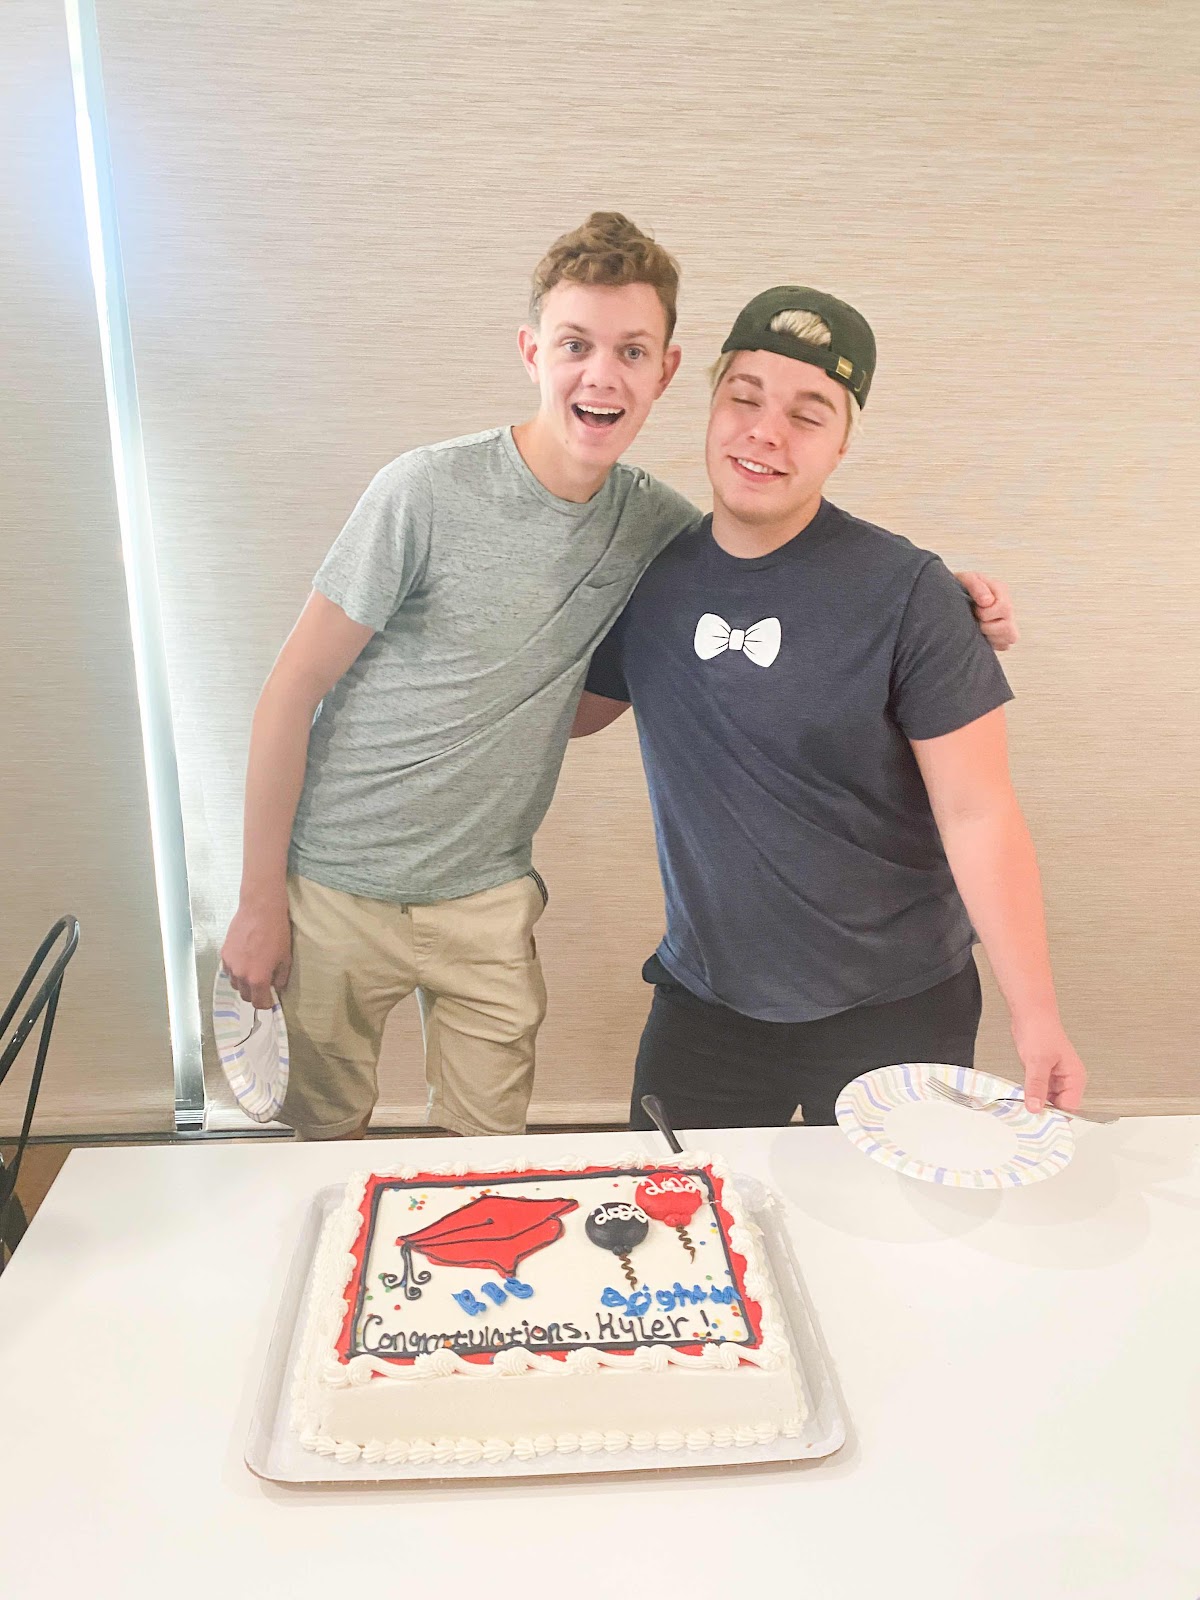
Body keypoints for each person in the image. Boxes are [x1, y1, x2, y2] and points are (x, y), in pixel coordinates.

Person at [221, 218, 1016, 1141]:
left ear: (666, 372)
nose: (601, 374)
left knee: (491, 1157)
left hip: (487, 895)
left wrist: (946, 601)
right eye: (576, 345)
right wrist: (259, 896)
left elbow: (771, 569)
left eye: (631, 351)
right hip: (333, 887)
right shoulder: (423, 493)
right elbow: (291, 691)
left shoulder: (657, 533)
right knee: (320, 1147)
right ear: (532, 352)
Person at [574, 285, 1085, 1129]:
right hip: (706, 1003)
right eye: (744, 399)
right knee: (684, 1206)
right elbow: (568, 714)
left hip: (896, 1004)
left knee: (891, 1213)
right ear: (710, 406)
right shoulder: (650, 578)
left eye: (807, 415)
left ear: (843, 441)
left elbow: (978, 812)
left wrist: (1037, 1018)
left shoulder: (910, 592)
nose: (765, 432)